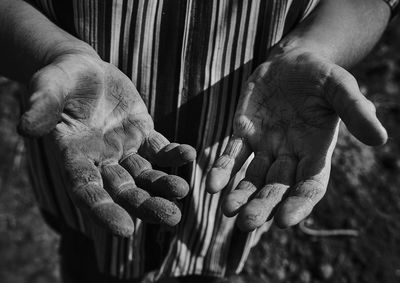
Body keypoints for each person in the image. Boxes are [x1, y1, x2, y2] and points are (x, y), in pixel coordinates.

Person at [0, 0, 397, 282]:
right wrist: (53, 51)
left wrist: (314, 48)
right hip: (90, 154)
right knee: (89, 263)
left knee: (210, 266)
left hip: (240, 163)